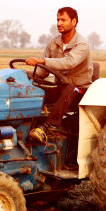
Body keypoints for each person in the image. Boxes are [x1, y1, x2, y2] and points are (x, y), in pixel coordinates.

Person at [26, 7, 93, 144]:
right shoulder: (53, 43)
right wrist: (27, 74)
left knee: (70, 89)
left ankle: (45, 127)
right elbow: (43, 71)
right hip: (61, 87)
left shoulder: (82, 43)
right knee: (37, 91)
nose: (59, 23)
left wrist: (42, 60)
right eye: (58, 20)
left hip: (80, 90)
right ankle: (27, 122)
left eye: (63, 20)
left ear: (74, 22)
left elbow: (69, 62)